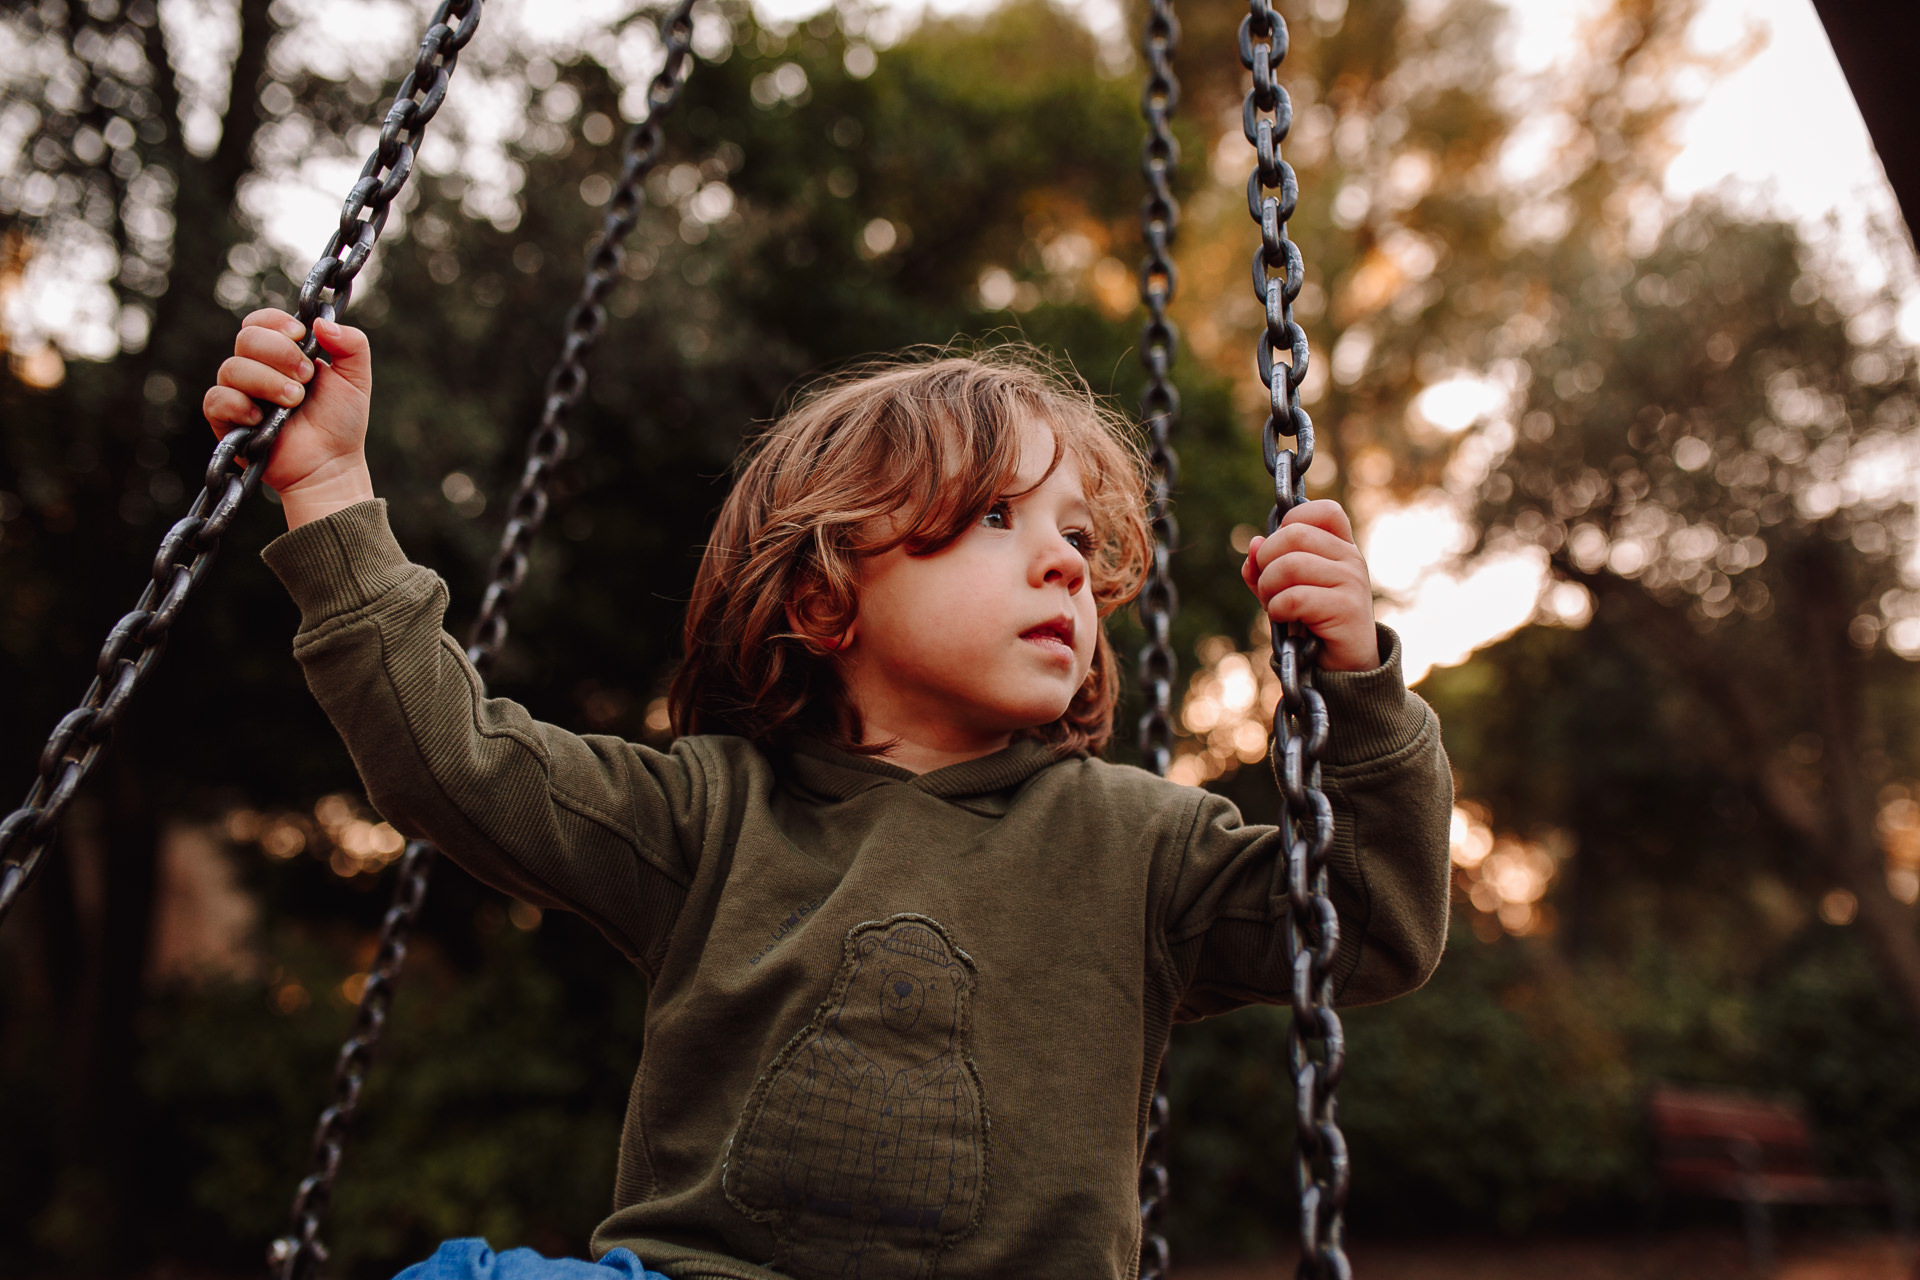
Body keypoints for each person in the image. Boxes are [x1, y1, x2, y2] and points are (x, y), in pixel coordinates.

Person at [204, 308, 1453, 1280]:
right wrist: (327, 491)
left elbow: (1370, 919)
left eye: (1078, 532)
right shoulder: (708, 817)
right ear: (821, 599)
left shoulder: (1140, 845)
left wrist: (1355, 687)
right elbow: (452, 760)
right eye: (998, 515)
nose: (1065, 559)